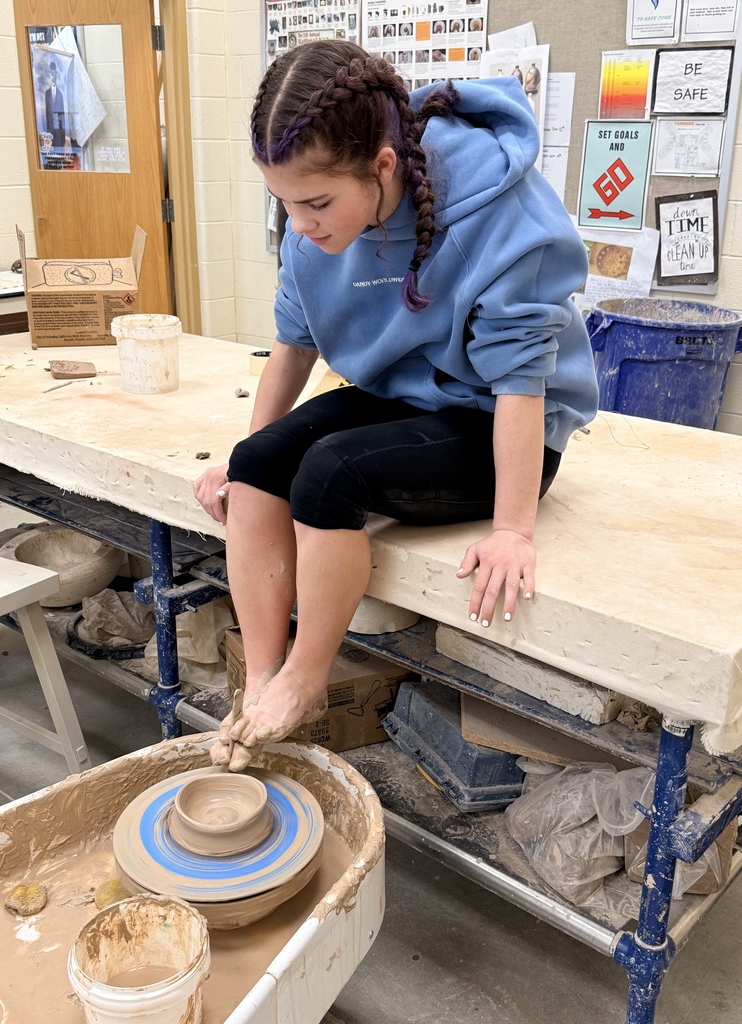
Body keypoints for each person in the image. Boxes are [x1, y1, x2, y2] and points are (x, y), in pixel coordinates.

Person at [194, 41, 598, 771]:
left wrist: (513, 528)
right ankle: (263, 678)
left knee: (329, 475)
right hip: (403, 396)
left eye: (316, 204)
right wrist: (243, 453)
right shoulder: (310, 219)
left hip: (501, 421)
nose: (302, 224)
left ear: (382, 167)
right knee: (257, 465)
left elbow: (520, 381)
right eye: (283, 203)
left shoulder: (496, 208)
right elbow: (294, 343)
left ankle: (310, 677)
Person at [44, 61, 70, 149]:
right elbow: (47, 115)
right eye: (51, 74)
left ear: (56, 75)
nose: (52, 76)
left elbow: (62, 116)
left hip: (60, 134)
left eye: (54, 73)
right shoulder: (47, 94)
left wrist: (64, 134)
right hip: (50, 133)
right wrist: (47, 133)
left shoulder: (60, 94)